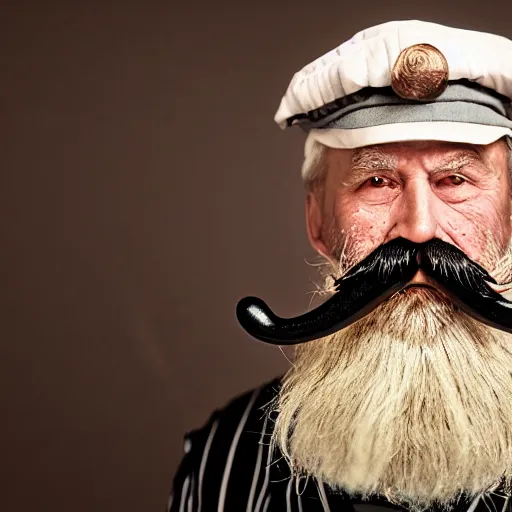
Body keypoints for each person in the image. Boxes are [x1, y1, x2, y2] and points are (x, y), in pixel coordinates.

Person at [167, 20, 512, 512]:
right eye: (376, 182)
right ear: (318, 221)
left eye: (456, 179)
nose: (418, 228)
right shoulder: (224, 455)